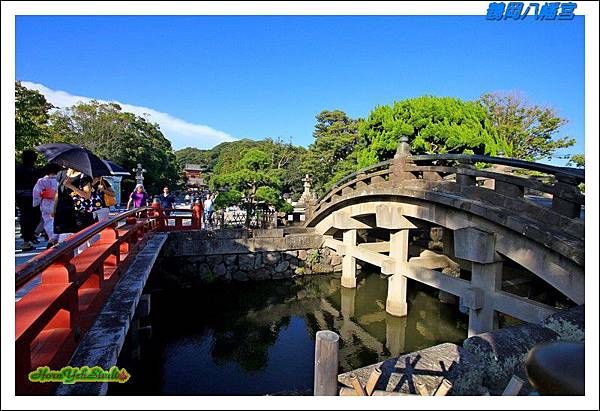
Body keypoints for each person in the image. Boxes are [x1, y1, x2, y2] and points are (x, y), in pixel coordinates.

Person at [16, 150, 42, 251]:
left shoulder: (17, 169)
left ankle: (27, 239)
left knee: (24, 217)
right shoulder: (34, 171)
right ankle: (29, 237)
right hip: (32, 196)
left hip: (20, 196)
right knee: (34, 217)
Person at [32, 164, 62, 248]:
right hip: (58, 202)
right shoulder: (59, 179)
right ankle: (56, 238)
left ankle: (52, 238)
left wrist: (36, 203)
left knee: (48, 222)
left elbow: (36, 193)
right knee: (57, 221)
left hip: (46, 203)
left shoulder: (41, 181)